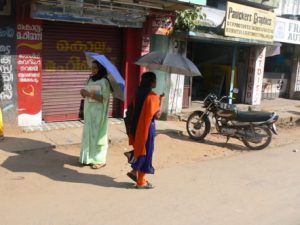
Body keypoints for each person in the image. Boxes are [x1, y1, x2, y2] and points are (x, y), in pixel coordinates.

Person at [125, 72, 164, 189]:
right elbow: (157, 115)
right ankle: (140, 180)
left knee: (141, 149)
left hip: (136, 127)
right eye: (155, 80)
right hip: (147, 128)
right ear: (151, 82)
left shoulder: (138, 93)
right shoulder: (152, 96)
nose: (156, 82)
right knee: (146, 151)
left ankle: (135, 171)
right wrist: (161, 101)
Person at [79, 60, 111, 169]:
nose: (92, 70)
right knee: (88, 135)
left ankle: (100, 160)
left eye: (95, 68)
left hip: (99, 114)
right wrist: (83, 93)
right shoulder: (90, 79)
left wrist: (89, 94)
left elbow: (103, 98)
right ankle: (88, 158)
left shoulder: (104, 81)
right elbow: (86, 95)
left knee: (98, 136)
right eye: (91, 68)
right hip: (89, 112)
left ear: (100, 69)